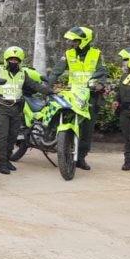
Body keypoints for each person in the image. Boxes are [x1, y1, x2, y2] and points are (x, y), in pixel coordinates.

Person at [48, 27, 106, 170]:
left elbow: (102, 72)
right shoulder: (68, 54)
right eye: (73, 40)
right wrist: (48, 86)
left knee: (87, 129)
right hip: (73, 95)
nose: (73, 43)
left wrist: (100, 84)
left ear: (84, 40)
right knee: (62, 118)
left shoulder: (96, 54)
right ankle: (61, 148)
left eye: (76, 40)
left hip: (90, 96)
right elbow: (56, 71)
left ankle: (81, 158)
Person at [0, 46, 51, 174]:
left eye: (16, 60)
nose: (13, 61)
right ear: (6, 59)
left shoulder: (23, 73)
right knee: (3, 136)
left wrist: (50, 92)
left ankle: (8, 160)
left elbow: (35, 85)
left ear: (20, 61)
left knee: (12, 137)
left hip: (16, 108)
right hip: (2, 108)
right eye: (11, 59)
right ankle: (2, 164)